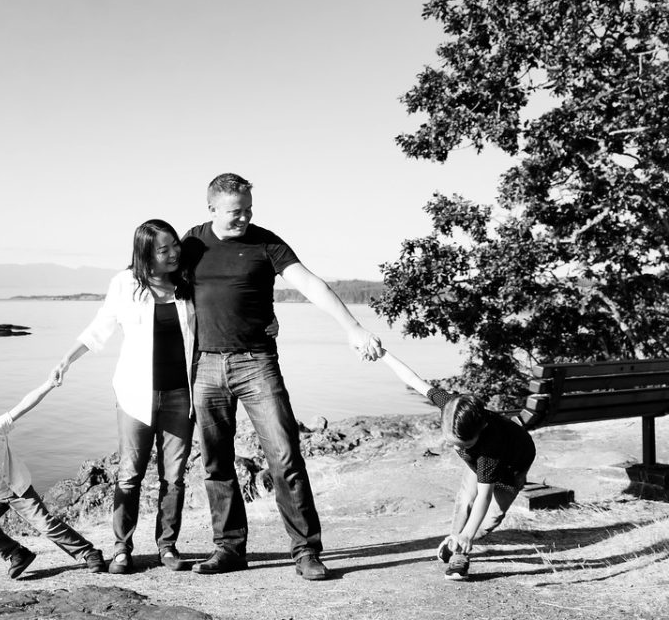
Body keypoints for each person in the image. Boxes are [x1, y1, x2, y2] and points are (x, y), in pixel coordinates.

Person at [181, 172, 384, 580]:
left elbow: (310, 284)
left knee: (285, 456)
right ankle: (229, 548)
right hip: (205, 364)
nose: (244, 218)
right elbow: (172, 293)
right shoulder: (192, 243)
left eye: (249, 209)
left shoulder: (266, 242)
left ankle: (306, 551)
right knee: (216, 463)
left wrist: (353, 328)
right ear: (212, 209)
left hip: (256, 362)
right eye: (236, 212)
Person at [52, 219, 196, 575]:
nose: (174, 253)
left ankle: (167, 547)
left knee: (174, 477)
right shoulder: (125, 283)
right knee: (129, 475)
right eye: (164, 250)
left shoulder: (189, 283)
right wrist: (66, 361)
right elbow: (100, 327)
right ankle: (122, 549)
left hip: (182, 394)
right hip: (135, 394)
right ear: (146, 254)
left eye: (174, 245)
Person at [377, 351, 536, 581]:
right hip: (481, 464)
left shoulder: (489, 449)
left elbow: (485, 496)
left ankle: (463, 540)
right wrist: (382, 354)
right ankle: (457, 553)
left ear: (479, 431)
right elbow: (412, 379)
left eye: (462, 444)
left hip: (513, 466)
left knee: (490, 518)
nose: (455, 447)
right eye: (451, 442)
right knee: (464, 501)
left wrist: (469, 534)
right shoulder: (450, 405)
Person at [0, 377, 106, 579]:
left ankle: (89, 553)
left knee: (46, 525)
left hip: (20, 490)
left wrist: (49, 384)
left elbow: (24, 405)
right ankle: (17, 554)